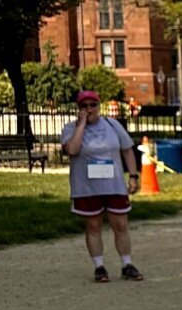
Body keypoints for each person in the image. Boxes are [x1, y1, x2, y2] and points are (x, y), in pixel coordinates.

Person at [60, 90, 144, 282]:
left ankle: (127, 264)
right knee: (93, 226)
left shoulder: (112, 125)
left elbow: (127, 150)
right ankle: (99, 267)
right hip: (87, 186)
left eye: (93, 105)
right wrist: (81, 125)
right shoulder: (70, 128)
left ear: (99, 106)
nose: (89, 109)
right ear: (78, 109)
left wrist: (133, 176)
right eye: (84, 106)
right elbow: (72, 149)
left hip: (113, 183)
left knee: (121, 224)